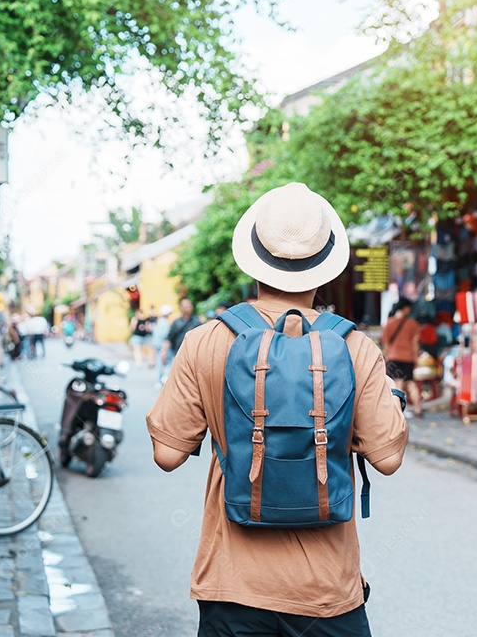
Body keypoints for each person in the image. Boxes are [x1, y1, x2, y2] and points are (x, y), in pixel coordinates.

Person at [146, 182, 407, 636]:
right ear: (324, 267)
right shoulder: (355, 347)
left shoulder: (207, 341)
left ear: (253, 260)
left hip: (232, 591)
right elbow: (387, 458)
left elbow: (168, 454)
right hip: (327, 595)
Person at [381, 297, 421, 417]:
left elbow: (386, 342)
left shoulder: (389, 323)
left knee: (397, 383)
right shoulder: (412, 324)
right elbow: (415, 343)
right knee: (411, 384)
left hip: (393, 357)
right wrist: (416, 358)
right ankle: (418, 409)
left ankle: (398, 412)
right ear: (406, 308)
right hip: (408, 358)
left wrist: (387, 356)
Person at [159, 297, 201, 384]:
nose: (188, 307)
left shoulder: (197, 322)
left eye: (189, 305)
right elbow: (169, 338)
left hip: (193, 356)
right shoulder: (176, 322)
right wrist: (164, 352)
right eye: (185, 306)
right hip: (178, 354)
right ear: (181, 307)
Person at [150, 304, 172, 380]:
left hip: (157, 345)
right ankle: (165, 379)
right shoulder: (165, 323)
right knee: (168, 362)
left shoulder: (159, 321)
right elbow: (165, 335)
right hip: (163, 345)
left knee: (160, 362)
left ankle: (159, 379)